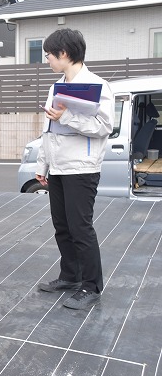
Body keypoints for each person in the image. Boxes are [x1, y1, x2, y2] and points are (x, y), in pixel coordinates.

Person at [35, 28, 114, 310]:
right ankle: (70, 276)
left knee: (81, 228)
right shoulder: (55, 86)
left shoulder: (98, 85)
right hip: (57, 167)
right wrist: (42, 164)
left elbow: (105, 127)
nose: (47, 60)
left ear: (64, 54)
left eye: (49, 55)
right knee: (62, 227)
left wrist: (67, 117)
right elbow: (47, 129)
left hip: (81, 167)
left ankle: (91, 286)